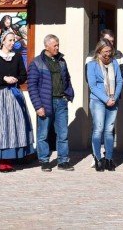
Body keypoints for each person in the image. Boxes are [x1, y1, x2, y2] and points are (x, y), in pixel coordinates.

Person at [0, 30, 33, 172]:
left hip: (15, 95)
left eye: (14, 40)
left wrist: (16, 79)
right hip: (1, 96)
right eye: (10, 40)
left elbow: (23, 75)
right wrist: (3, 79)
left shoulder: (17, 57)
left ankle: (12, 157)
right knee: (1, 126)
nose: (13, 43)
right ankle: (1, 160)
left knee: (14, 126)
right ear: (2, 41)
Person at [28, 34, 75, 173]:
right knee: (43, 134)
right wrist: (38, 106)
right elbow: (32, 86)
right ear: (46, 46)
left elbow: (67, 79)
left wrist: (68, 94)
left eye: (58, 45)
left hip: (61, 101)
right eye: (54, 45)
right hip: (45, 103)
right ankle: (44, 161)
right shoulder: (37, 63)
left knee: (63, 133)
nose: (57, 47)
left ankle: (63, 161)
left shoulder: (62, 61)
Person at [87, 39, 123, 172]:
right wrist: (106, 98)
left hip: (113, 101)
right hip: (98, 100)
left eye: (110, 51)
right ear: (99, 51)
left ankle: (109, 158)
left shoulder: (114, 63)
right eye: (106, 51)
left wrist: (114, 97)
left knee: (109, 130)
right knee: (98, 129)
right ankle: (98, 158)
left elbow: (119, 80)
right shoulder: (92, 65)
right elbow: (92, 85)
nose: (108, 54)